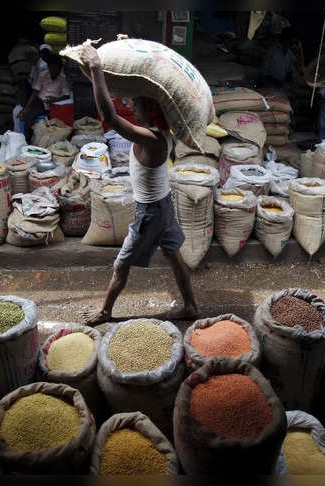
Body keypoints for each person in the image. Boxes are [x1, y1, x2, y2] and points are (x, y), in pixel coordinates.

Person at [78, 42, 199, 326]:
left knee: (121, 264)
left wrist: (96, 68)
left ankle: (105, 311)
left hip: (151, 212)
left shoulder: (153, 140)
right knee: (174, 257)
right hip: (163, 206)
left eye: (137, 102)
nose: (132, 104)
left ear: (150, 109)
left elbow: (109, 117)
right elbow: (129, 93)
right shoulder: (161, 133)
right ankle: (191, 306)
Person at [19, 55, 70, 129]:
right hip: (40, 102)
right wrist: (27, 107)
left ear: (59, 68)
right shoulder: (42, 75)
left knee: (57, 123)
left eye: (56, 68)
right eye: (51, 68)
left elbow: (67, 95)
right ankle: (27, 139)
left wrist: (55, 100)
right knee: (29, 120)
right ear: (49, 67)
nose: (53, 70)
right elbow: (35, 92)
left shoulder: (63, 78)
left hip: (55, 105)